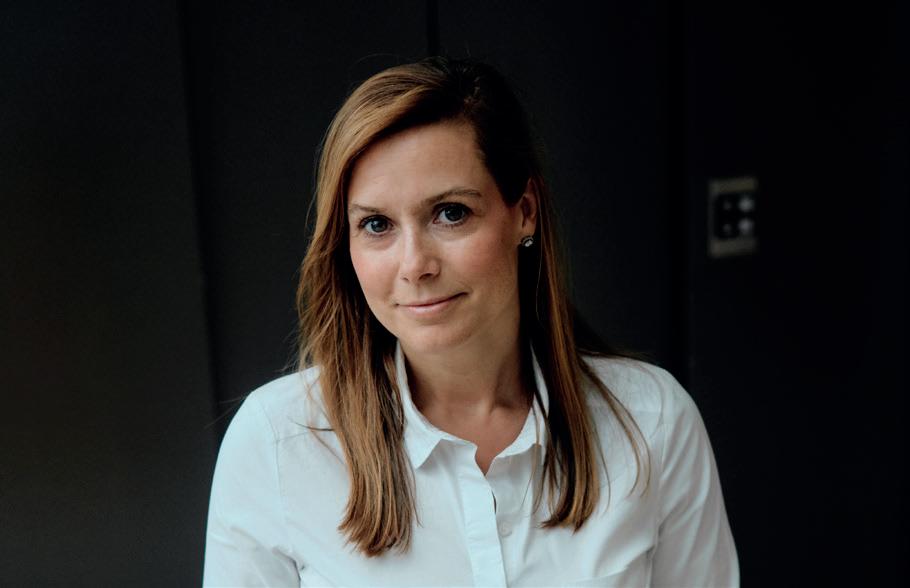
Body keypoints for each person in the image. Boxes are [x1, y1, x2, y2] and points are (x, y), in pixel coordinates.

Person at [203, 57, 738, 587]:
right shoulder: (278, 444)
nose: (415, 265)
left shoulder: (652, 423)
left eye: (451, 213)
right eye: (377, 224)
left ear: (524, 211)